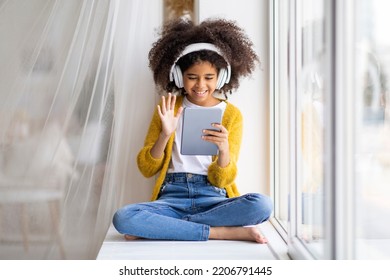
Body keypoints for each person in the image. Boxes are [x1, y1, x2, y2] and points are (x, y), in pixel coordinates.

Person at [112, 18, 272, 243]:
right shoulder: (168, 107)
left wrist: (224, 150)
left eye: (209, 78)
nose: (200, 85)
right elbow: (147, 168)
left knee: (263, 205)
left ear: (221, 77)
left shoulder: (231, 114)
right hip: (172, 197)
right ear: (179, 76)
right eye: (192, 77)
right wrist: (164, 135)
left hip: (213, 197)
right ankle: (219, 232)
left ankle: (167, 228)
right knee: (124, 217)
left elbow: (221, 179)